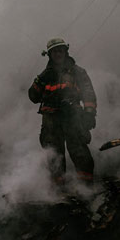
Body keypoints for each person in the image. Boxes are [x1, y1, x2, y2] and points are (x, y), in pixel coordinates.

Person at [28, 38, 97, 183]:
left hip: (73, 116)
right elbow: (33, 97)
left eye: (60, 50)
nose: (58, 54)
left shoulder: (78, 72)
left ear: (66, 51)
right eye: (54, 52)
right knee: (53, 154)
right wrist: (40, 80)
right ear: (49, 55)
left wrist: (89, 113)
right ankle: (58, 189)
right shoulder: (45, 75)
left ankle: (86, 187)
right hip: (51, 120)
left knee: (79, 151)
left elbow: (88, 93)